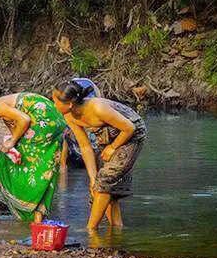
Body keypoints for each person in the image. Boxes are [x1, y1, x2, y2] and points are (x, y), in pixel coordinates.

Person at [52, 81, 146, 229]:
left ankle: (90, 229)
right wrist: (91, 176)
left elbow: (129, 128)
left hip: (131, 135)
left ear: (70, 104)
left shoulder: (98, 108)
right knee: (99, 184)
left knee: (105, 179)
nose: (53, 105)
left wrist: (113, 147)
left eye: (55, 101)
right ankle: (117, 228)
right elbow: (85, 146)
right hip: (107, 137)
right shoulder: (69, 116)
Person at [0, 93, 66, 223]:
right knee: (45, 170)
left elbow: (25, 120)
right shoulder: (3, 112)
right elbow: (17, 132)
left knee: (3, 157)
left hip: (43, 121)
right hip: (57, 121)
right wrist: (14, 149)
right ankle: (38, 218)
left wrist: (11, 142)